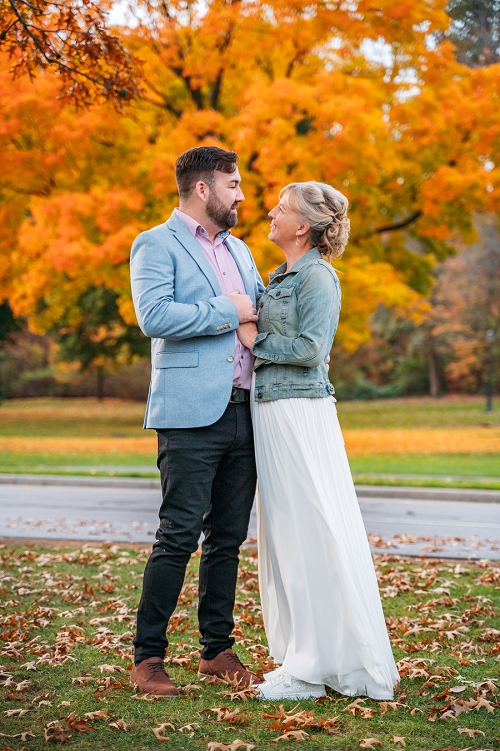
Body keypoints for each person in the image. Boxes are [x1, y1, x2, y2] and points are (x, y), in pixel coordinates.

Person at [236, 181, 400, 701]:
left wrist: (253, 337)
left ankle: (315, 667)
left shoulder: (319, 277)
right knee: (287, 535)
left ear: (302, 226)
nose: (271, 212)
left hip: (299, 412)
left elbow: (311, 349)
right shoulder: (281, 275)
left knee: (312, 530)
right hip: (273, 411)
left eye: (281, 209)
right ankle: (306, 655)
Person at [129, 146, 264, 697]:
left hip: (248, 410)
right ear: (203, 189)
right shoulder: (155, 244)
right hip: (189, 415)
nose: (241, 195)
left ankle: (216, 650)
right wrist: (229, 310)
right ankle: (148, 658)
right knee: (178, 535)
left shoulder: (241, 250)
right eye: (233, 185)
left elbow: (259, 308)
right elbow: (155, 316)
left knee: (228, 538)